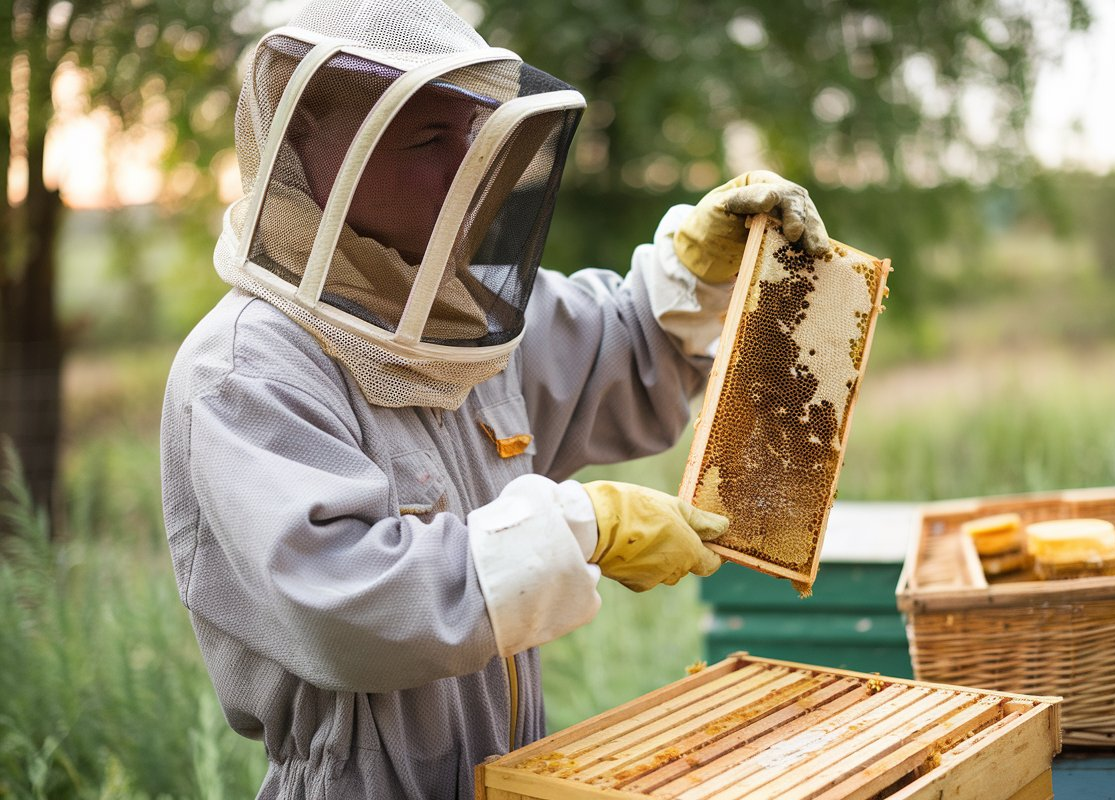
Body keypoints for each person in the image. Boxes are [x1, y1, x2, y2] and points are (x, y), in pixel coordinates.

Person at [159, 1, 830, 798]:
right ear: (311, 147)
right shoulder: (246, 372)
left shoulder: (462, 317)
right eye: (428, 140)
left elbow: (614, 354)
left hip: (508, 774)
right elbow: (350, 607)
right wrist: (586, 526)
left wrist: (697, 269)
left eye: (475, 134)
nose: (468, 168)